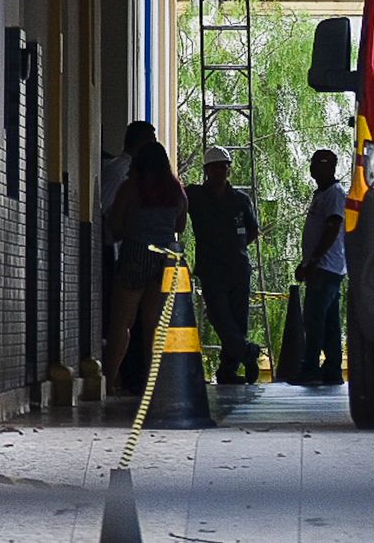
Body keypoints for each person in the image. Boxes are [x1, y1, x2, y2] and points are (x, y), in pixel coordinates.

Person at [103, 140, 188, 395]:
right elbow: (180, 226)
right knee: (154, 325)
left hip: (136, 253)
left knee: (122, 323)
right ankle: (154, 385)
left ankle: (108, 381)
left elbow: (115, 223)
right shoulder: (177, 191)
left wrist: (131, 228)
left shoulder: (132, 187)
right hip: (165, 258)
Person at [187, 145, 262, 384]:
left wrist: (233, 247)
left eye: (223, 167)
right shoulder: (195, 196)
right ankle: (247, 352)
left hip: (238, 268)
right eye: (215, 168)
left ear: (229, 169)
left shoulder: (240, 200)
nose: (220, 172)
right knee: (219, 316)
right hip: (211, 269)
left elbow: (253, 230)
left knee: (238, 320)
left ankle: (228, 370)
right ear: (206, 170)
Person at [294, 149, 347, 385]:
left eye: (319, 163)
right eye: (313, 163)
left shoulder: (334, 194)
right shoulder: (322, 194)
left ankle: (310, 368)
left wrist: (314, 261)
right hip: (324, 266)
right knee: (329, 321)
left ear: (330, 167)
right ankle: (332, 369)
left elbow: (333, 227)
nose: (313, 168)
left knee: (314, 319)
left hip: (326, 267)